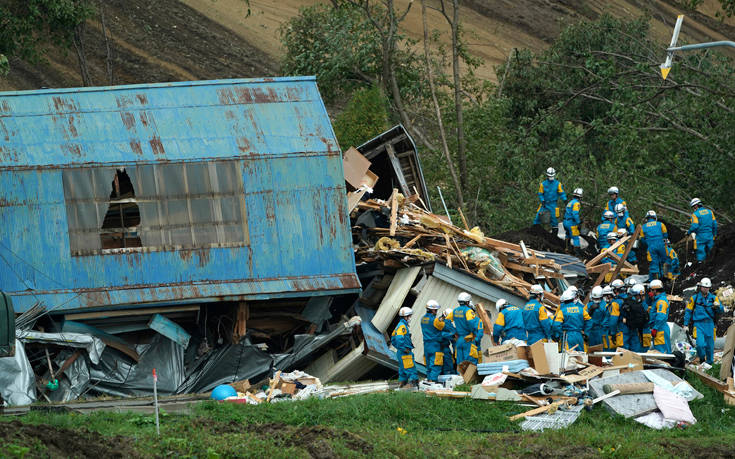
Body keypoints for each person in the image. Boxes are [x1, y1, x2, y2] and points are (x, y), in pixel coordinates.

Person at [683, 278, 723, 365]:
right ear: (700, 287)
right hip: (698, 324)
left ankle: (709, 364)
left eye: (707, 287)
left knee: (710, 346)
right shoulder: (694, 298)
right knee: (700, 345)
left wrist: (718, 307)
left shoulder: (714, 298)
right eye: (704, 287)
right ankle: (701, 358)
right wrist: (685, 324)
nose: (706, 289)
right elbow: (688, 311)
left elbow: (721, 310)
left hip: (710, 324)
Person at [451, 292, 482, 365]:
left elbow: (446, 321)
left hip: (460, 340)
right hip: (470, 341)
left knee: (460, 364)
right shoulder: (477, 320)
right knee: (470, 365)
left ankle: (460, 376)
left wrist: (454, 332)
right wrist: (474, 336)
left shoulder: (456, 311)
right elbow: (479, 333)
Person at [391, 307, 418, 388]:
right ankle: (413, 384)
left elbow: (393, 339)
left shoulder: (399, 325)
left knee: (403, 370)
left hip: (400, 352)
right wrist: (403, 348)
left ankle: (402, 384)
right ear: (405, 317)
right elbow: (398, 338)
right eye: (409, 316)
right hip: (405, 352)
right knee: (410, 368)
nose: (410, 318)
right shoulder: (402, 326)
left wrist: (399, 348)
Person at [420, 300, 445, 382]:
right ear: (433, 310)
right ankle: (432, 382)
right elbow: (442, 326)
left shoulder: (423, 319)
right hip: (435, 345)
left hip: (426, 345)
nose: (436, 312)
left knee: (429, 366)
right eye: (436, 310)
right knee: (436, 365)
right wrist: (443, 318)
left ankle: (428, 381)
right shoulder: (435, 320)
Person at [687, 198, 718, 263]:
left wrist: (688, 232)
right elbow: (715, 224)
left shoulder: (695, 214)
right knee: (711, 252)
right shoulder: (710, 212)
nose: (693, 209)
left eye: (693, 207)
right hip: (710, 236)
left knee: (700, 253)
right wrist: (714, 234)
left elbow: (695, 226)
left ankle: (701, 267)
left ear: (696, 206)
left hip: (700, 237)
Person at [620, 284, 648, 352]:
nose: (642, 298)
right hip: (633, 329)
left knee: (626, 348)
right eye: (641, 296)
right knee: (634, 349)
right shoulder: (638, 305)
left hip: (630, 328)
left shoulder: (626, 302)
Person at [641, 211, 668, 281]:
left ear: (646, 218)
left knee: (653, 265)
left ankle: (653, 281)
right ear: (655, 217)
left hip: (651, 247)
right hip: (661, 246)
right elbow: (665, 235)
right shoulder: (661, 224)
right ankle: (665, 278)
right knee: (663, 262)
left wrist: (648, 244)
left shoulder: (643, 227)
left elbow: (642, 240)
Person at [650, 280, 671, 353]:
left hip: (660, 329)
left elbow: (661, 315)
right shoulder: (658, 300)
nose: (651, 292)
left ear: (655, 290)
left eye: (652, 290)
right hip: (659, 327)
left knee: (662, 352)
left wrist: (655, 328)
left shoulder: (661, 301)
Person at [606, 279, 626, 349]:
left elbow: (613, 321)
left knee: (621, 353)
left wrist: (613, 333)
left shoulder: (616, 302)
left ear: (615, 290)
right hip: (632, 329)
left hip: (620, 329)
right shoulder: (630, 298)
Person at [438, 308, 457, 375]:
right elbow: (453, 334)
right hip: (443, 348)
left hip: (435, 347)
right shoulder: (447, 322)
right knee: (448, 365)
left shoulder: (438, 321)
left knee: (438, 366)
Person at [601, 286, 617, 350]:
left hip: (610, 331)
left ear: (609, 295)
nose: (604, 298)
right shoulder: (609, 305)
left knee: (610, 351)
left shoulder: (613, 305)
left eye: (605, 295)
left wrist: (612, 333)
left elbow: (613, 319)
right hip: (606, 330)